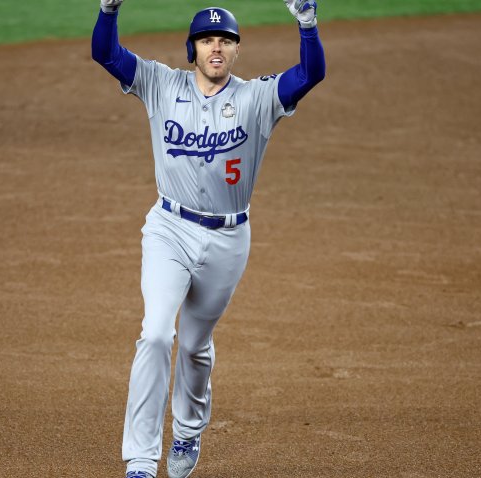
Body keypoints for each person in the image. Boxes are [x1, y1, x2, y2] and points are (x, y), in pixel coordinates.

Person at [91, 1, 325, 477]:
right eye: (207, 40)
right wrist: (108, 9)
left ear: (236, 51)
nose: (216, 47)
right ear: (192, 48)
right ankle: (140, 460)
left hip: (228, 239)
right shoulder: (161, 83)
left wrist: (307, 23)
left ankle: (188, 433)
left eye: (226, 41)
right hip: (169, 229)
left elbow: (310, 73)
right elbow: (106, 54)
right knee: (156, 332)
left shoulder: (258, 98)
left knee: (196, 345)